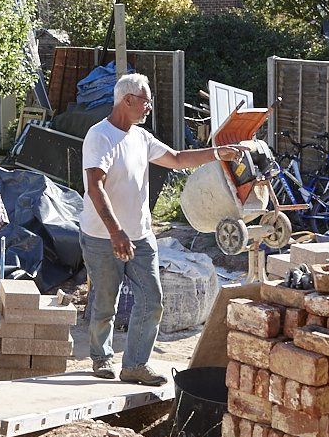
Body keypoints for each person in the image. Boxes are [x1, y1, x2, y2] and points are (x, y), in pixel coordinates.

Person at [82, 73, 241, 385]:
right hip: (102, 236)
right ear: (127, 100)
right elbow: (94, 187)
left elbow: (178, 159)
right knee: (105, 300)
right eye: (146, 100)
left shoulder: (141, 138)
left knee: (152, 300)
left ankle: (135, 365)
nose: (150, 106)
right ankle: (101, 357)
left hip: (141, 237)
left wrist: (217, 153)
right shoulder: (100, 136)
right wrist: (116, 232)